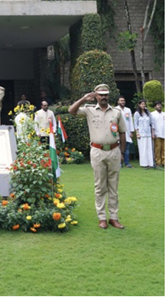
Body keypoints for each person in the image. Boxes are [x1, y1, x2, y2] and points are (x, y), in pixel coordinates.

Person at [71, 83, 125, 229]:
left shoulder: (116, 112)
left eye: (106, 94)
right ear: (96, 96)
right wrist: (83, 99)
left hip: (114, 150)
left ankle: (114, 217)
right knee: (100, 186)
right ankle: (102, 217)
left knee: (113, 186)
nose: (104, 97)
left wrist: (122, 152)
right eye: (101, 94)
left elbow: (122, 132)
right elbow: (71, 111)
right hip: (97, 151)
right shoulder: (89, 110)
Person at [133, 102, 153, 169]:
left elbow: (151, 122)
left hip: (148, 133)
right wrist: (137, 134)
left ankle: (150, 163)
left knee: (149, 148)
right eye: (142, 104)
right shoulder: (137, 113)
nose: (143, 105)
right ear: (139, 105)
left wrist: (152, 132)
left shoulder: (148, 112)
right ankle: (144, 163)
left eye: (144, 104)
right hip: (141, 134)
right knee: (143, 149)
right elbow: (136, 124)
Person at [118, 95, 134, 168]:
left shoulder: (128, 110)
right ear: (118, 102)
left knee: (127, 148)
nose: (122, 102)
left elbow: (130, 121)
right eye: (121, 100)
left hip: (127, 132)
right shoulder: (115, 109)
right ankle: (120, 163)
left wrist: (131, 131)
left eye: (123, 100)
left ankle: (127, 163)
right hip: (118, 132)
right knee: (119, 148)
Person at [151, 102, 166, 167]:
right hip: (157, 134)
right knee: (157, 149)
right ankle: (158, 162)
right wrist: (153, 133)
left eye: (160, 105)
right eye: (158, 105)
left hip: (165, 134)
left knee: (164, 149)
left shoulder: (165, 114)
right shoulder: (152, 114)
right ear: (155, 107)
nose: (159, 106)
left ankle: (164, 162)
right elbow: (152, 125)